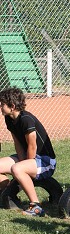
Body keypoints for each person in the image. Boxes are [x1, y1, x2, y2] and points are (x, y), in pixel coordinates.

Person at [0, 87, 56, 217]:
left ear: (12, 106)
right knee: (12, 167)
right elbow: (18, 143)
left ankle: (36, 206)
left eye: (2, 104)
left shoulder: (26, 119)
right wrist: (21, 161)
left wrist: (22, 165)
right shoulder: (9, 119)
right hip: (28, 157)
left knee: (17, 169)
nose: (0, 106)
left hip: (45, 160)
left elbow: (32, 146)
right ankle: (7, 192)